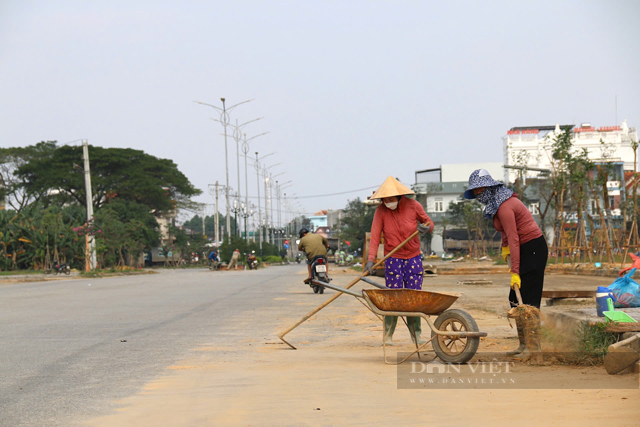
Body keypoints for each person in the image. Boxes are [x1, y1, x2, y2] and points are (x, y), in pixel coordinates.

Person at [464, 169, 548, 356]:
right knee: (514, 299)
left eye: (480, 190)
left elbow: (514, 238)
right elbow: (506, 236)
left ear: (490, 186)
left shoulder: (505, 206)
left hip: (533, 248)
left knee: (530, 301)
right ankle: (523, 345)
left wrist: (516, 271)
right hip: (523, 248)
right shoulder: (497, 204)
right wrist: (505, 251)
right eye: (475, 192)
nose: (478, 195)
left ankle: (534, 348)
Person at [365, 176, 434, 346]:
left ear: (399, 196)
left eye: (390, 199)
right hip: (393, 258)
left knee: (414, 297)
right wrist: (371, 260)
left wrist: (426, 227)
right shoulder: (381, 211)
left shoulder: (413, 206)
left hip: (413, 257)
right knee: (393, 298)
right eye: (384, 199)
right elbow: (374, 238)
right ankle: (388, 336)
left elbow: (428, 222)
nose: (387, 202)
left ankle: (416, 335)